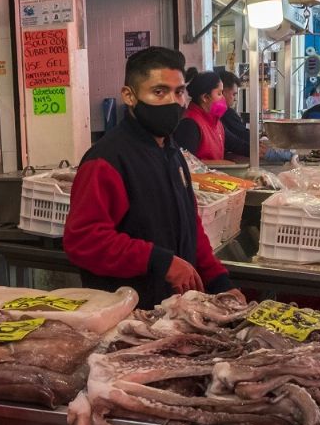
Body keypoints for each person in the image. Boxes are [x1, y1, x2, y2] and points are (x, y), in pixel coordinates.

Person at [62, 47, 241, 310]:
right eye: (159, 92)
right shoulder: (106, 160)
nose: (173, 101)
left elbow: (190, 225)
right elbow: (84, 240)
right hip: (126, 316)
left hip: (171, 313)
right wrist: (160, 261)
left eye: (179, 92)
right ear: (129, 96)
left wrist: (218, 280)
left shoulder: (171, 152)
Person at [173, 68, 227, 161]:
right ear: (205, 97)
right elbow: (188, 164)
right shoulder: (189, 124)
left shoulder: (215, 121)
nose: (223, 97)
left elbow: (234, 143)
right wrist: (222, 164)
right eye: (219, 93)